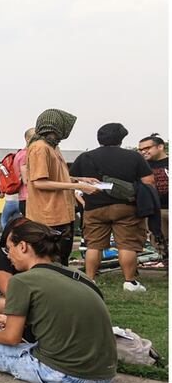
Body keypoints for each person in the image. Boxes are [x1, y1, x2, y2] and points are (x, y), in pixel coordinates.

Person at [0, 220, 118, 383]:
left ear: (23, 246)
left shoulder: (22, 281)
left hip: (65, 375)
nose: (8, 255)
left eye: (9, 248)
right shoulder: (79, 276)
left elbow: (11, 338)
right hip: (106, 374)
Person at [70, 123, 154, 290]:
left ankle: (90, 280)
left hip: (93, 207)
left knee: (93, 244)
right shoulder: (134, 157)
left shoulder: (85, 157)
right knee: (127, 244)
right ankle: (130, 282)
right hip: (126, 207)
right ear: (122, 138)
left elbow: (71, 178)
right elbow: (148, 182)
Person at [24, 109, 100, 265]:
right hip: (48, 215)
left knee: (62, 257)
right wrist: (79, 187)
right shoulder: (40, 148)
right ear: (55, 127)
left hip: (61, 212)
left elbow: (55, 176)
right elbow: (39, 182)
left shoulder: (51, 147)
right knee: (53, 259)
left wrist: (80, 180)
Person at [139, 134, 169, 264]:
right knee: (160, 241)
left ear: (160, 147)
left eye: (147, 148)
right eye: (140, 149)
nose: (143, 151)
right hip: (155, 211)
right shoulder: (141, 166)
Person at [2, 128, 35, 228]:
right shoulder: (25, 154)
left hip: (22, 198)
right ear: (27, 139)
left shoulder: (19, 154)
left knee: (20, 226)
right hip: (28, 198)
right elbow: (26, 180)